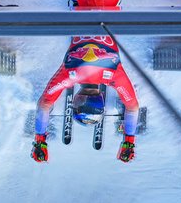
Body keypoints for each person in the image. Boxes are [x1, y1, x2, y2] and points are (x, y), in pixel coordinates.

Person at [31, 35, 140, 163]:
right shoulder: (68, 75)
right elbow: (45, 104)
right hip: (80, 19)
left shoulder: (114, 76)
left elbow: (133, 107)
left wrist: (129, 141)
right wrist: (40, 141)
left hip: (109, 19)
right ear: (76, 99)